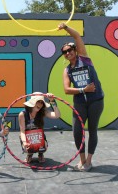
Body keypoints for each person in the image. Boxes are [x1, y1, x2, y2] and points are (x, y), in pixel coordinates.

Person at [58, 22, 104, 172]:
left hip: (96, 100)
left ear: (75, 50)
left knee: (92, 130)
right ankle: (82, 160)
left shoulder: (84, 58)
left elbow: (77, 35)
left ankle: (89, 161)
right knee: (77, 132)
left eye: (70, 50)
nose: (67, 53)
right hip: (80, 102)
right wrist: (84, 89)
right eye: (64, 52)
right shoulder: (67, 70)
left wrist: (65, 27)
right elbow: (66, 89)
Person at [19, 92, 61, 163]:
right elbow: (22, 132)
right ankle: (29, 154)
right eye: (38, 102)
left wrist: (52, 101)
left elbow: (57, 115)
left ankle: (40, 154)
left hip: (39, 136)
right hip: (27, 137)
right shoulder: (22, 114)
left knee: (43, 147)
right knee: (27, 148)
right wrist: (25, 142)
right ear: (32, 102)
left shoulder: (42, 112)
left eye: (42, 102)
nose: (40, 104)